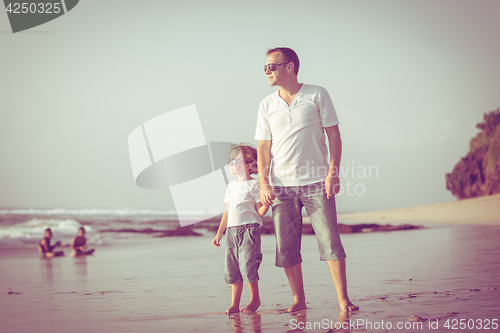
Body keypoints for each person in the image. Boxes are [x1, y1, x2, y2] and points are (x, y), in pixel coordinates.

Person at [255, 47, 358, 312]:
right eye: (265, 67)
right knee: (286, 248)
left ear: (289, 66)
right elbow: (263, 148)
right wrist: (265, 184)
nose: (266, 71)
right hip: (281, 186)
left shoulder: (317, 94)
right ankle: (298, 300)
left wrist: (333, 171)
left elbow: (334, 135)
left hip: (317, 182)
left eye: (271, 66)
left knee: (330, 241)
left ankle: (343, 300)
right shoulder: (266, 105)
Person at [212, 144, 270, 314]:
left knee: (247, 265)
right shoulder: (231, 186)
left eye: (235, 160)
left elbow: (259, 210)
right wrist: (219, 233)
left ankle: (255, 299)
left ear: (249, 164)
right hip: (231, 231)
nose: (230, 163)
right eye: (230, 160)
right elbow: (227, 212)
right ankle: (234, 304)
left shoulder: (254, 185)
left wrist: (266, 205)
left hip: (249, 230)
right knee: (232, 268)